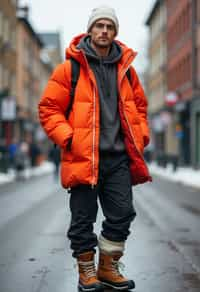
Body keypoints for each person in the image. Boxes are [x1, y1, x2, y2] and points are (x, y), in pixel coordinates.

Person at [38, 6, 151, 292]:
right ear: (90, 30)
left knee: (123, 212)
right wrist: (68, 137)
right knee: (82, 220)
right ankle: (86, 271)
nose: (103, 31)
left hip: (117, 159)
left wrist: (141, 134)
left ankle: (107, 267)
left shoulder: (126, 70)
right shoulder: (70, 69)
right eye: (99, 25)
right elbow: (49, 108)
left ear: (115, 32)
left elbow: (140, 107)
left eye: (109, 27)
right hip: (83, 158)